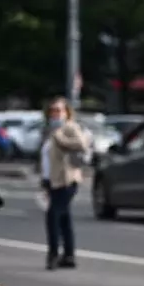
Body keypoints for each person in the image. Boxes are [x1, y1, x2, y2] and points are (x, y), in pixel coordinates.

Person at [39, 97, 91, 270]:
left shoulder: (69, 127)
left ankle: (53, 255)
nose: (55, 113)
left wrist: (60, 137)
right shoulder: (49, 130)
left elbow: (82, 144)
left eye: (59, 110)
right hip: (52, 180)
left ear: (67, 112)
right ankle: (69, 256)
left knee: (53, 216)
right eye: (53, 110)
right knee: (64, 217)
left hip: (67, 180)